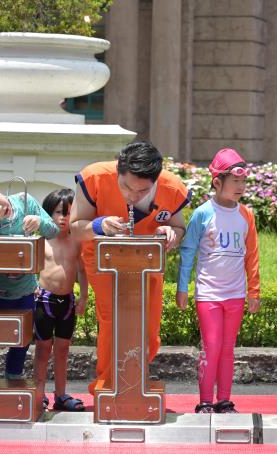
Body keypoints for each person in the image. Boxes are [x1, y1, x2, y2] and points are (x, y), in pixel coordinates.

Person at [69, 141, 190, 395]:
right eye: (126, 187)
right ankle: (108, 385)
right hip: (104, 262)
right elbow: (76, 228)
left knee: (150, 330)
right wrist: (99, 225)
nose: (132, 196)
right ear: (118, 171)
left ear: (156, 180)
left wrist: (171, 233)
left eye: (142, 191)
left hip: (147, 264)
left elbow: (179, 227)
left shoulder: (172, 188)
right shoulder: (94, 177)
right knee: (112, 322)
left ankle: (132, 380)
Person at [176, 148, 261, 414]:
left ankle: (224, 400)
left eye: (244, 181)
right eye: (235, 181)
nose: (241, 186)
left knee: (227, 349)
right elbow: (188, 250)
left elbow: (253, 255)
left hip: (235, 295)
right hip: (209, 295)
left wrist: (254, 291)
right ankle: (204, 402)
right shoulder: (203, 214)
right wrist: (182, 288)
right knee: (211, 347)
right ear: (217, 182)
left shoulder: (246, 215)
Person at [0, 181, 60, 380]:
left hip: (26, 293)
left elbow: (54, 231)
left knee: (21, 344)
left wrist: (39, 222)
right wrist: (0, 263)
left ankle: (13, 386)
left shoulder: (25, 202)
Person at [33, 188, 88, 411]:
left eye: (68, 212)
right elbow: (29, 267)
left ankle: (61, 394)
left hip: (67, 303)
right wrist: (31, 289)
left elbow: (82, 271)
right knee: (42, 350)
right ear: (49, 213)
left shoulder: (77, 242)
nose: (63, 217)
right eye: (58, 212)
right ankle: (39, 394)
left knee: (63, 350)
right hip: (43, 301)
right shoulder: (42, 240)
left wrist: (84, 296)